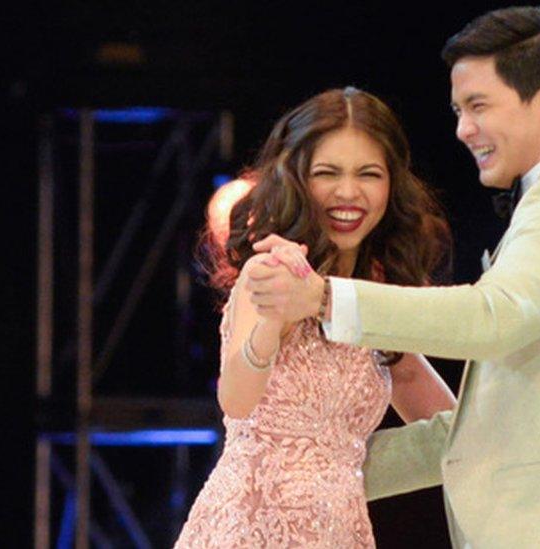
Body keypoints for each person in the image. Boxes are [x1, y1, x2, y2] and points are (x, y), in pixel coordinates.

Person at [246, 7, 540, 548]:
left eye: (479, 106)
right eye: (459, 110)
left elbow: (491, 317)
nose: (463, 130)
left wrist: (324, 297)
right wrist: (310, 470)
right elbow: (479, 432)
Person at [172, 87, 456, 548]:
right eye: (328, 173)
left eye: (369, 174)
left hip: (339, 532)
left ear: (391, 185)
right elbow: (237, 401)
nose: (349, 192)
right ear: (298, 180)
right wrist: (272, 321)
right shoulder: (271, 273)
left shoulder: (371, 300)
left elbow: (450, 428)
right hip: (249, 529)